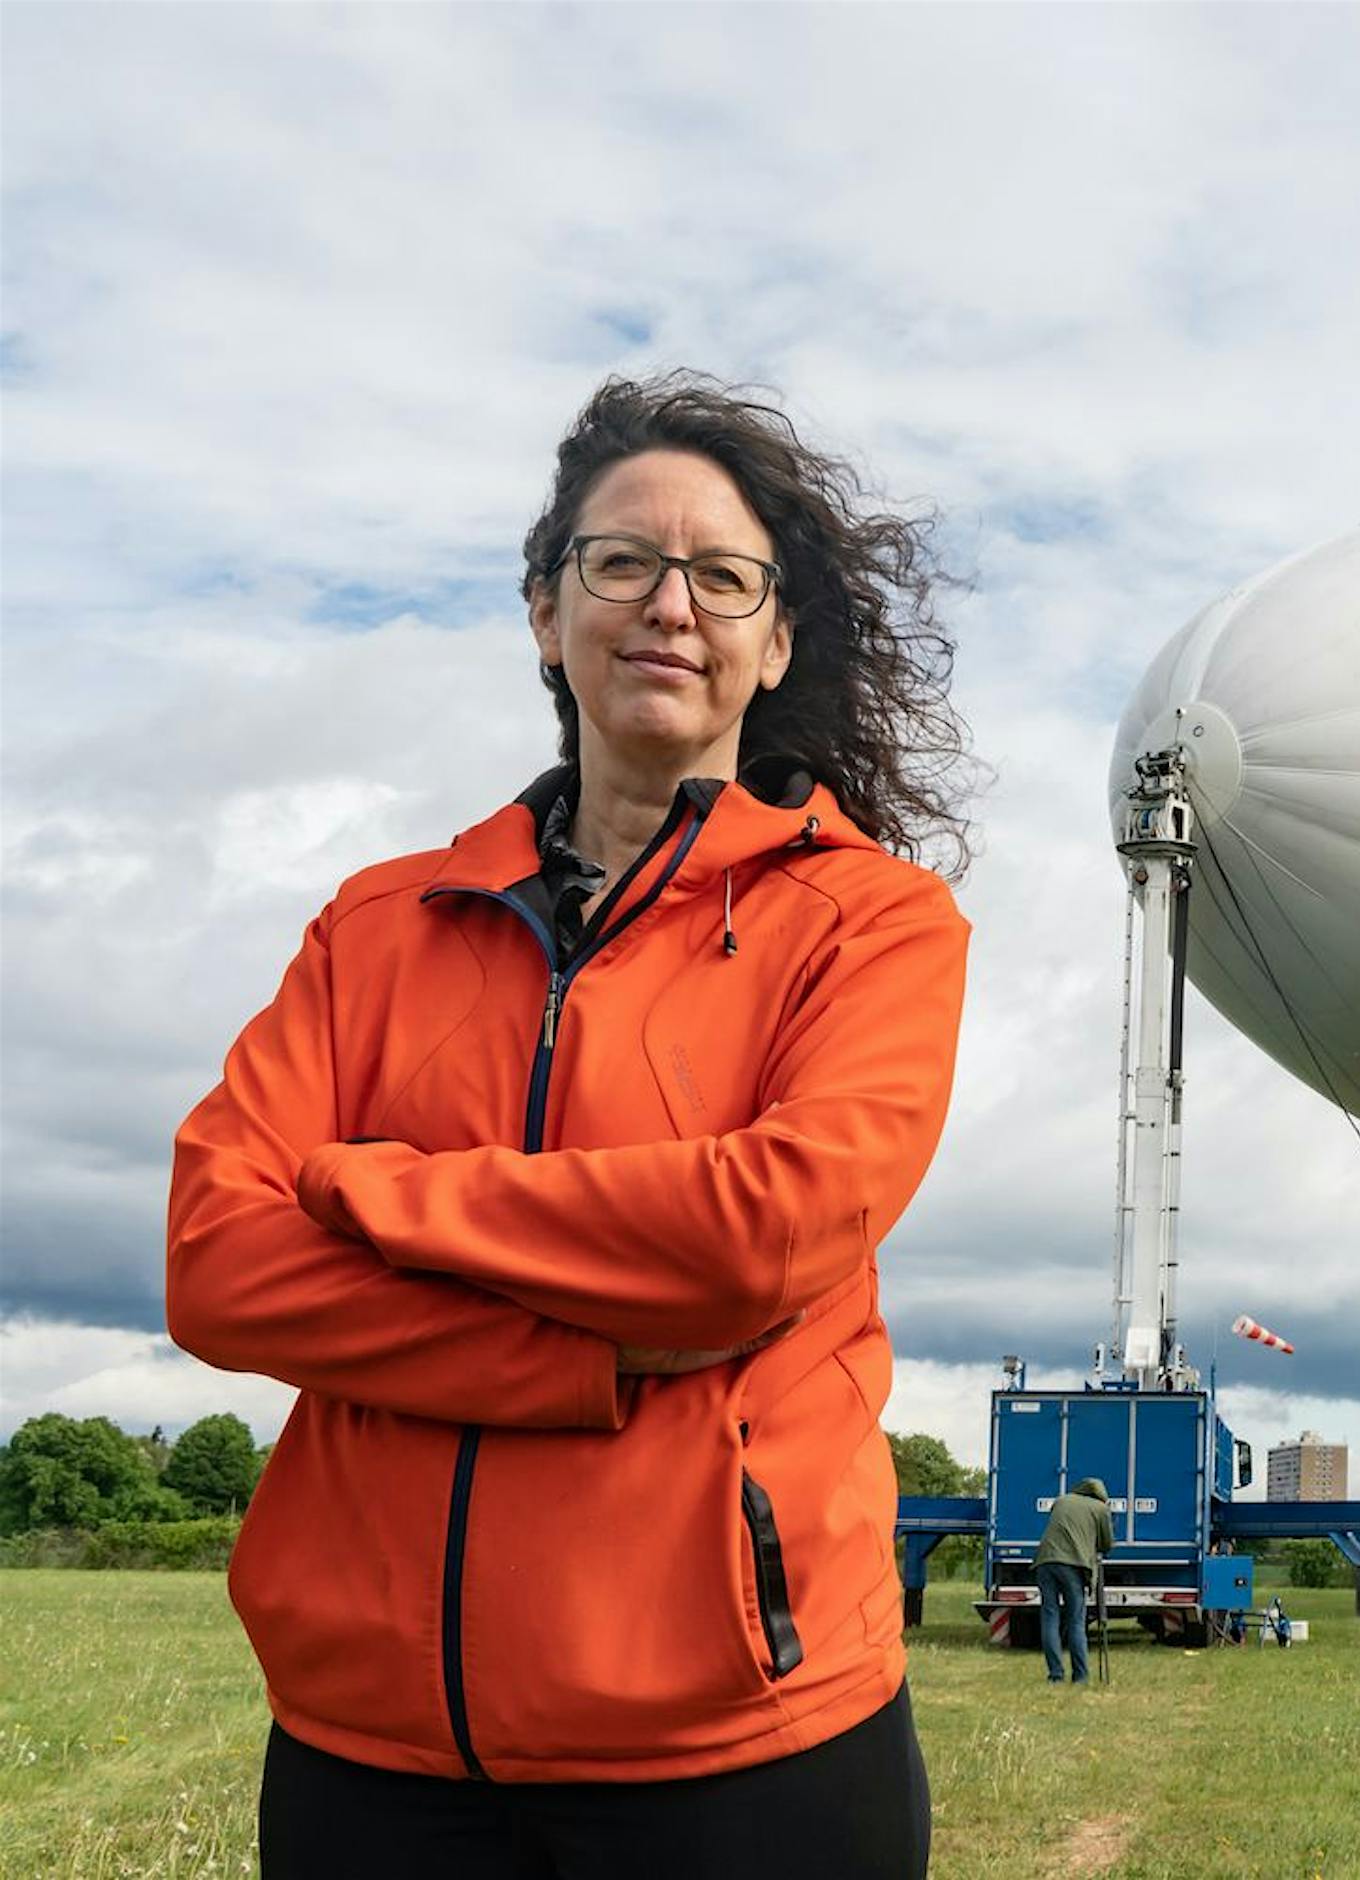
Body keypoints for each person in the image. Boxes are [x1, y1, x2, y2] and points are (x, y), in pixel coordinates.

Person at [167, 372, 974, 1879]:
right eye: (622, 562)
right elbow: (216, 1263)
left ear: (773, 640)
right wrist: (584, 1354)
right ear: (548, 612)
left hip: (746, 1753)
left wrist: (376, 1192)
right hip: (371, 1757)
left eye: (723, 577)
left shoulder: (873, 923)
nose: (672, 603)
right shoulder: (377, 923)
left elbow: (765, 1232)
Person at [1032, 1477, 1114, 1684]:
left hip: (1045, 1561)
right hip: (1074, 1565)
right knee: (1076, 1620)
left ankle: (1055, 1676)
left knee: (1050, 1617)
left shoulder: (1062, 1500)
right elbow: (1107, 1544)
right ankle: (1080, 1676)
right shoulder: (1101, 1509)